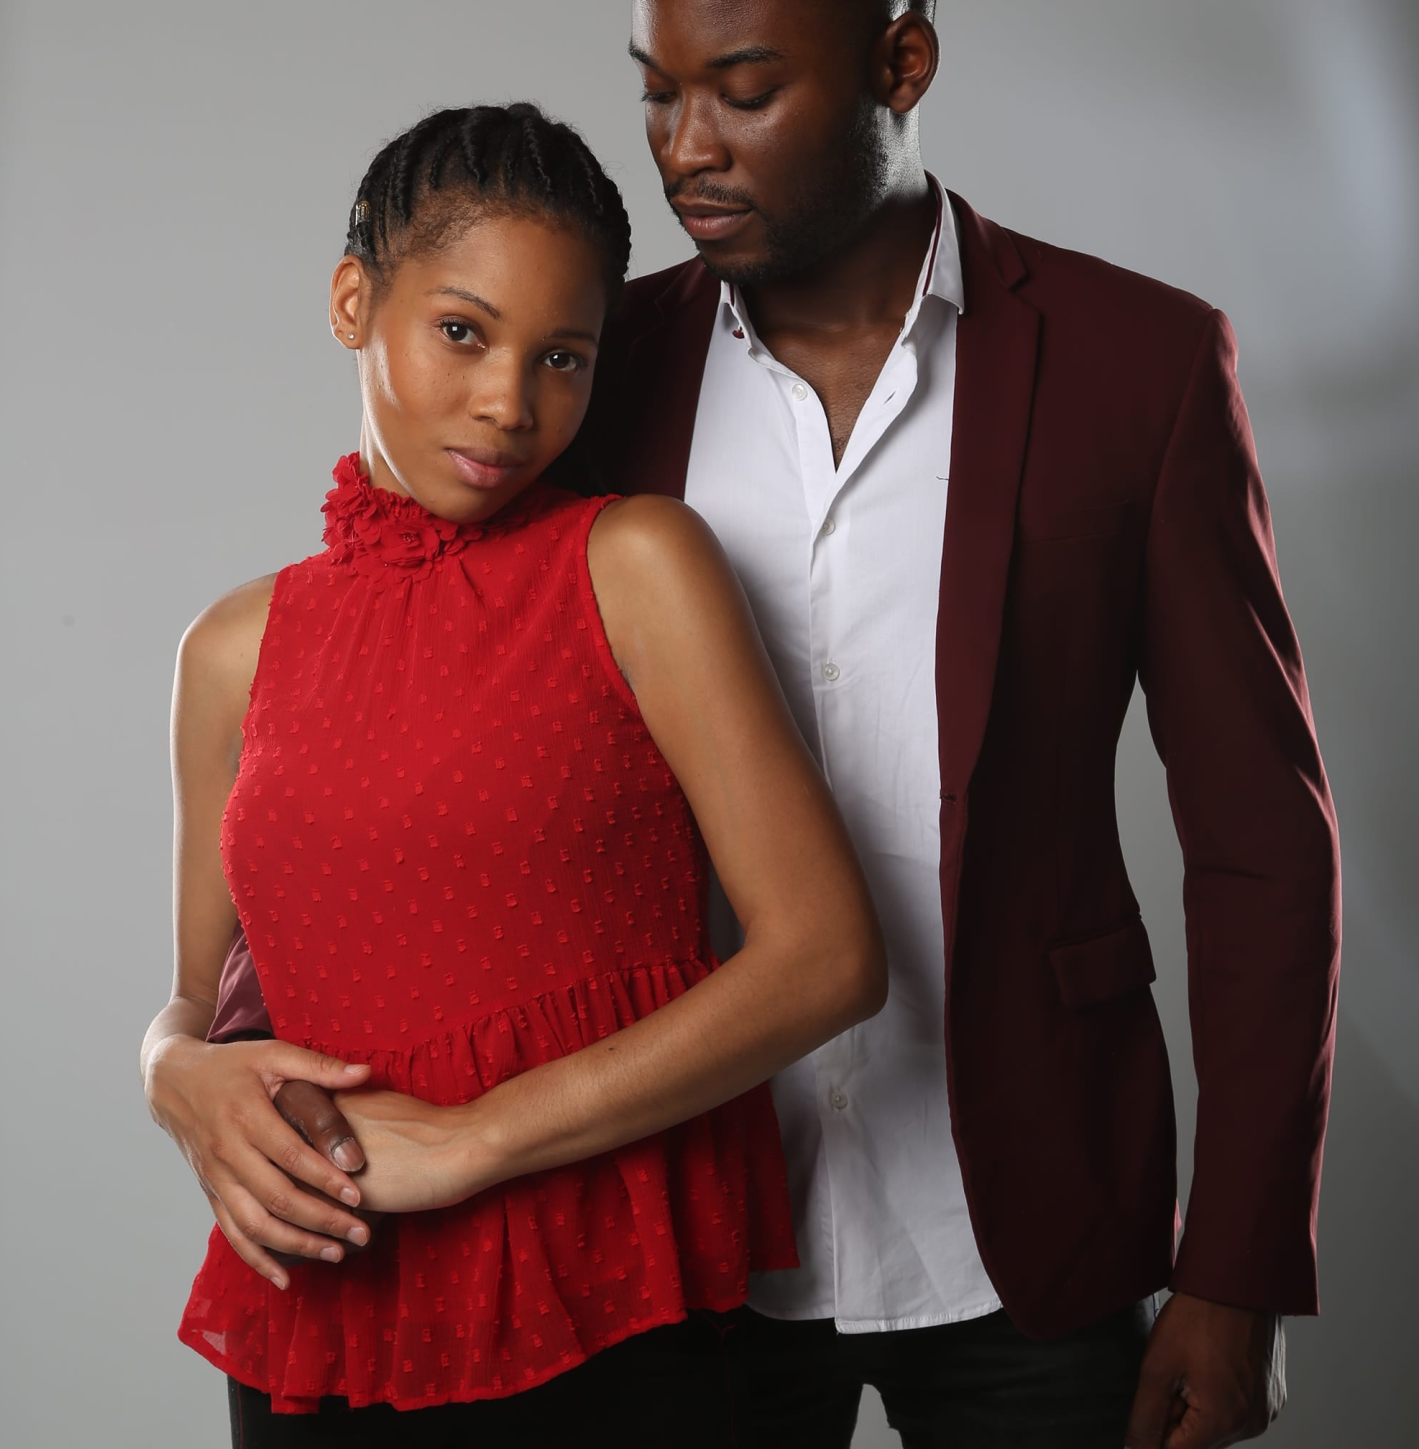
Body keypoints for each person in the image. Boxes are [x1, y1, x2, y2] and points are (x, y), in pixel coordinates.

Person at [212, 3, 1342, 1445]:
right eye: (659, 95)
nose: (687, 148)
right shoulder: (590, 360)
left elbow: (1261, 846)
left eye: (742, 93)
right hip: (675, 1244)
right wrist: (202, 1056)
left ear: (901, 65)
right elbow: (378, 749)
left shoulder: (1139, 363)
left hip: (1030, 1215)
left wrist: (1240, 1265)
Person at [139, 101, 888, 1446]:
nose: (509, 403)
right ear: (354, 300)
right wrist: (167, 1070)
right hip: (324, 1299)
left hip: (606, 1301)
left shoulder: (635, 566)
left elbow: (828, 957)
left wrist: (475, 1139)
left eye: (562, 358)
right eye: (462, 333)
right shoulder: (232, 650)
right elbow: (205, 996)